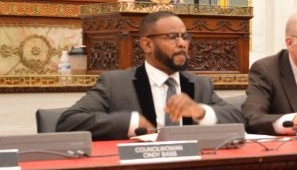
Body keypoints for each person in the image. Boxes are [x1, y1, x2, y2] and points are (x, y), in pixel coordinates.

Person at [56, 11, 243, 140]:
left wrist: (200, 112)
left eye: (184, 36)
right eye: (172, 37)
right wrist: (130, 122)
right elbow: (69, 122)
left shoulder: (200, 84)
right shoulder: (116, 84)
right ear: (146, 45)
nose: (182, 44)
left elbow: (239, 119)